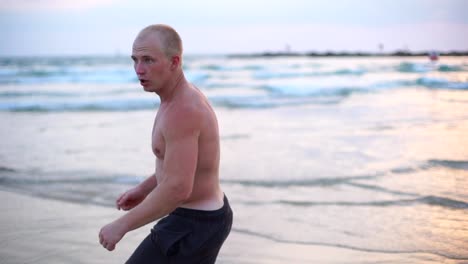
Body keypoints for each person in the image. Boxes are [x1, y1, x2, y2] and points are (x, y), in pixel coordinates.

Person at [98, 24, 232, 264]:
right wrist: (144, 188)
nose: (139, 70)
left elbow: (178, 188)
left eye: (148, 60)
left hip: (195, 223)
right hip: (200, 217)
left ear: (174, 61)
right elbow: (181, 166)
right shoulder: (175, 98)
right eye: (135, 60)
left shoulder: (183, 110)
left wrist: (120, 226)